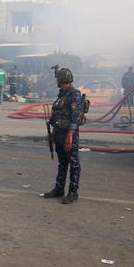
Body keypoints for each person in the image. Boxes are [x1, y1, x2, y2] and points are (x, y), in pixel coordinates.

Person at [42, 68, 83, 204]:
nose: (56, 82)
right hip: (59, 133)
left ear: (61, 80)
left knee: (74, 163)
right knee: (62, 163)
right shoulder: (62, 94)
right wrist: (53, 133)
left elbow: (75, 118)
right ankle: (59, 189)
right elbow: (57, 115)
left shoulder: (74, 95)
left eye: (57, 80)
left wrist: (70, 136)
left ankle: (73, 192)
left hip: (68, 135)